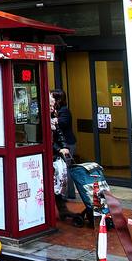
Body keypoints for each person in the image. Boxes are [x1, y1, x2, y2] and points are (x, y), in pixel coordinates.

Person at [50, 89, 80, 222]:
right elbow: (49, 139)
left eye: (52, 105)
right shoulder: (49, 117)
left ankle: (63, 206)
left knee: (61, 175)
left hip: (58, 152)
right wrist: (59, 148)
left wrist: (63, 147)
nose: (52, 108)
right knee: (55, 179)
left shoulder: (61, 113)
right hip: (53, 153)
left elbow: (59, 134)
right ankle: (61, 207)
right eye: (50, 106)